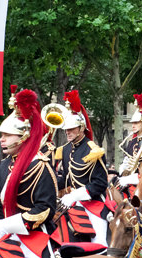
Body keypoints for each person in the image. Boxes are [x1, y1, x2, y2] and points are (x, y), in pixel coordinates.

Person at [0, 88, 59, 258]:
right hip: (6, 234)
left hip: (35, 238)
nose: (2, 139)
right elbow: (0, 207)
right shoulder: (4, 165)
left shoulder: (40, 166)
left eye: (8, 135)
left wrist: (6, 225)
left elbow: (44, 210)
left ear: (24, 135)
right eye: (2, 135)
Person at [56, 90, 111, 246]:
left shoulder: (94, 150)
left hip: (92, 203)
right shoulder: (66, 149)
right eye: (66, 129)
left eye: (72, 129)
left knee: (98, 242)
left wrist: (75, 196)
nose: (68, 132)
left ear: (81, 128)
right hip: (70, 201)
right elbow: (66, 178)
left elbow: (100, 184)